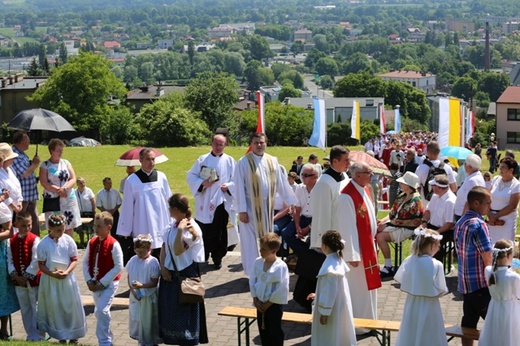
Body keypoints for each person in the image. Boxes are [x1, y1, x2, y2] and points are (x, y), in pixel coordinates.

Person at [234, 133, 297, 276]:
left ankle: (266, 267)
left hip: (267, 208)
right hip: (250, 208)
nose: (259, 145)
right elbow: (238, 187)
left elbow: (281, 183)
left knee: (266, 239)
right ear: (251, 143)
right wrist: (242, 210)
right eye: (256, 142)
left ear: (266, 143)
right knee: (250, 242)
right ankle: (252, 272)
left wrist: (291, 202)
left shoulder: (272, 161)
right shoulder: (243, 162)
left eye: (262, 142)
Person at [158, 194, 208, 345]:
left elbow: (178, 250)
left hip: (185, 276)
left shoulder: (191, 228)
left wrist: (180, 231)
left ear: (175, 209)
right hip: (170, 276)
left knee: (186, 319)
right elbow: (164, 247)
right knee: (170, 316)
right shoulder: (172, 225)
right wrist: (163, 268)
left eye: (170, 208)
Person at [338, 162, 381, 335]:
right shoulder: (346, 197)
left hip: (368, 248)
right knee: (359, 290)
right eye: (368, 172)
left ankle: (370, 321)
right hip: (357, 254)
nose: (372, 175)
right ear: (357, 175)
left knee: (369, 289)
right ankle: (359, 326)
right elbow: (346, 227)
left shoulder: (365, 189)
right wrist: (352, 254)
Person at [187, 134, 236, 269]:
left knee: (219, 230)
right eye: (216, 144)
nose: (218, 147)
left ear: (225, 145)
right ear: (211, 143)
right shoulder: (202, 160)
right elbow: (191, 176)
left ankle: (218, 256)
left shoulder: (230, 161)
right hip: (204, 199)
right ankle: (204, 254)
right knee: (204, 229)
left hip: (221, 199)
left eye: (221, 144)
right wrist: (202, 183)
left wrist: (229, 187)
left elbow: (237, 179)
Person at [37, 214, 86, 344]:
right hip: (51, 281)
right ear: (50, 228)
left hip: (67, 279)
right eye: (58, 230)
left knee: (70, 306)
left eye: (63, 229)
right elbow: (41, 265)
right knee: (56, 307)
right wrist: (52, 274)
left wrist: (67, 272)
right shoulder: (43, 244)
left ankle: (74, 334)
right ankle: (61, 335)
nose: (61, 232)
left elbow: (74, 259)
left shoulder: (68, 240)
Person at [394, 228, 448, 346]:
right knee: (429, 331)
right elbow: (441, 289)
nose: (438, 249)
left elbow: (401, 279)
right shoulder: (436, 264)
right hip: (430, 305)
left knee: (411, 328)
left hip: (412, 303)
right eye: (438, 246)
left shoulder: (409, 260)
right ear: (433, 246)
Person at [117, 148, 172, 263]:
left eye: (153, 159)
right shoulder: (132, 180)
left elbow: (169, 200)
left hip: (161, 222)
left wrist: (172, 221)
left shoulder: (161, 177)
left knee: (162, 255)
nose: (151, 162)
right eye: (148, 159)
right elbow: (127, 207)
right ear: (140, 160)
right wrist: (126, 231)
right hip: (142, 223)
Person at [454, 187, 493, 346]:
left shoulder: (460, 221)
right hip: (480, 284)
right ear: (476, 203)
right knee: (495, 321)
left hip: (465, 283)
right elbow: (487, 258)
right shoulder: (479, 224)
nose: (490, 206)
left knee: (468, 324)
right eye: (488, 203)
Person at [82, 212, 124, 346]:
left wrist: (103, 282)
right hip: (94, 283)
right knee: (99, 312)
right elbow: (85, 262)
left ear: (108, 227)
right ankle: (108, 336)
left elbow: (118, 266)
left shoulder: (114, 244)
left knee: (102, 310)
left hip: (110, 283)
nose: (96, 229)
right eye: (95, 226)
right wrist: (89, 280)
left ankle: (104, 342)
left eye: (99, 226)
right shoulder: (92, 242)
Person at [309, 230, 356, 346]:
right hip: (340, 305)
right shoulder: (337, 260)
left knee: (329, 336)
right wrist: (317, 294)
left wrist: (324, 313)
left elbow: (329, 291)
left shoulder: (330, 268)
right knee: (339, 334)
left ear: (324, 246)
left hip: (332, 310)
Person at [376, 171, 424, 277]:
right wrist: (382, 221)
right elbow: (392, 213)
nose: (400, 184)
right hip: (395, 225)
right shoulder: (401, 196)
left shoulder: (415, 200)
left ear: (408, 185)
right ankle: (376, 263)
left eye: (402, 183)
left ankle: (388, 266)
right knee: (375, 230)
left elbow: (412, 221)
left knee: (380, 236)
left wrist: (387, 224)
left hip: (408, 229)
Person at [7, 212, 45, 341]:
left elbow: (36, 260)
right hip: (19, 281)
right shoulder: (11, 240)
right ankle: (30, 334)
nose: (26, 228)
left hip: (33, 280)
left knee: (36, 307)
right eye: (23, 225)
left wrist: (26, 276)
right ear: (16, 224)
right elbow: (9, 260)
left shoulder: (35, 239)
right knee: (25, 308)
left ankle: (39, 335)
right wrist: (16, 276)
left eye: (29, 225)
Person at [249, 233, 289, 346]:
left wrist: (268, 303)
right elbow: (252, 280)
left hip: (273, 305)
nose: (261, 251)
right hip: (260, 303)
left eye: (264, 249)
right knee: (263, 331)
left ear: (274, 250)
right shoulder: (258, 262)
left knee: (274, 331)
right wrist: (255, 299)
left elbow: (282, 287)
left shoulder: (281, 266)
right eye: (260, 248)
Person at [478, 239, 520, 345]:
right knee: (509, 336)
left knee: (494, 335)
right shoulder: (514, 277)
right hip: (510, 311)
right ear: (510, 256)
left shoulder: (488, 270)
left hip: (494, 308)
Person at [39, 139, 82, 237]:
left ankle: (69, 247)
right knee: (53, 225)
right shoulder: (45, 165)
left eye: (61, 150)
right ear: (51, 150)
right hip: (53, 199)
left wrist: (65, 189)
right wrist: (58, 190)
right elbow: (44, 182)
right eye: (58, 150)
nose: (60, 152)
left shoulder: (66, 163)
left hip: (68, 198)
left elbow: (73, 178)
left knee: (68, 225)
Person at [126, 234, 161, 346]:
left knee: (148, 320)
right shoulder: (133, 260)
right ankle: (141, 340)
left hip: (148, 296)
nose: (139, 254)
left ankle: (150, 341)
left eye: (141, 252)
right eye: (137, 251)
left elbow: (154, 282)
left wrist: (142, 285)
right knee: (138, 319)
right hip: (136, 296)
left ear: (149, 248)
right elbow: (129, 276)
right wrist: (132, 290)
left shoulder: (152, 262)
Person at [281, 163, 319, 257]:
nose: (303, 177)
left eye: (306, 175)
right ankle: (306, 253)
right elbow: (297, 209)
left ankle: (306, 254)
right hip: (303, 218)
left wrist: (309, 228)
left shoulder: (320, 189)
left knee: (314, 240)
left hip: (317, 220)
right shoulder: (299, 188)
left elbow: (321, 214)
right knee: (286, 233)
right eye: (302, 175)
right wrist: (297, 225)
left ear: (315, 176)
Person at [420, 175, 456, 264]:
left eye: (433, 186)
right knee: (419, 237)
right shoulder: (435, 196)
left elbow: (449, 224)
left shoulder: (450, 201)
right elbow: (428, 211)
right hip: (433, 226)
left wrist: (436, 233)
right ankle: (423, 265)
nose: (431, 187)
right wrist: (424, 223)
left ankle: (435, 267)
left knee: (433, 242)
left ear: (438, 188)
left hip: (446, 230)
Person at [12, 131, 40, 236]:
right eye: (28, 141)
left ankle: (35, 241)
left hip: (30, 194)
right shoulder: (14, 154)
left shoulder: (22, 154)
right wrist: (35, 164)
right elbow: (24, 173)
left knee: (34, 219)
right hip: (23, 195)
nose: (29, 143)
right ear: (22, 142)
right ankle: (21, 240)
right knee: (22, 220)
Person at [486, 158, 520, 244]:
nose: (500, 169)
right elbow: (487, 196)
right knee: (490, 245)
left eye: (503, 167)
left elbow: (512, 206)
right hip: (492, 220)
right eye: (500, 166)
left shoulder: (516, 185)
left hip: (506, 222)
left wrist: (496, 216)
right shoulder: (496, 179)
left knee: (505, 246)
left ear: (511, 170)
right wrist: (489, 214)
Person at [0, 195, 19, 341]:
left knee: (3, 292)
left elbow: (9, 232)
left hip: (1, 253)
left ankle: (3, 330)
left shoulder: (2, 209)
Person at [415, 141, 457, 205]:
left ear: (427, 152)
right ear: (439, 151)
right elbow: (454, 188)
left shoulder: (420, 168)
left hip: (426, 204)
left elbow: (416, 188)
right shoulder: (447, 167)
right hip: (444, 204)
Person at [454, 154, 485, 222]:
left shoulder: (472, 181)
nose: (464, 166)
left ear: (469, 167)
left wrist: (462, 221)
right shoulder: (474, 177)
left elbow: (468, 202)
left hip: (465, 216)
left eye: (465, 164)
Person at [0, 143, 23, 219]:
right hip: (5, 210)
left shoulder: (11, 169)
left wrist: (20, 201)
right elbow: (2, 193)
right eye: (11, 157)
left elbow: (17, 185)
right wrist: (14, 207)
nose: (13, 159)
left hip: (15, 209)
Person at [75, 177, 96, 245]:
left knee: (90, 228)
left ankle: (91, 242)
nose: (82, 184)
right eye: (81, 183)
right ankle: (81, 242)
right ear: (77, 184)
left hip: (89, 212)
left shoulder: (88, 190)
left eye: (83, 182)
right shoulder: (75, 192)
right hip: (79, 213)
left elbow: (93, 201)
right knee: (80, 228)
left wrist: (94, 210)